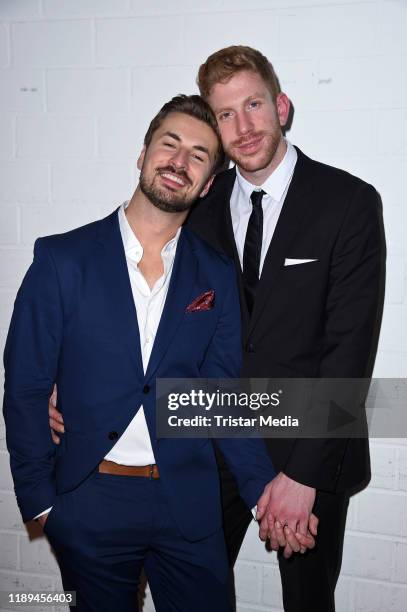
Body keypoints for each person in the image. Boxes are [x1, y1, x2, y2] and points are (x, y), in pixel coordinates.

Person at [3, 94, 314, 612]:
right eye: (169, 145)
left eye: (198, 155)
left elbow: (220, 397)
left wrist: (266, 492)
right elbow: (27, 386)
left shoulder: (214, 274)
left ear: (209, 182)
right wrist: (42, 503)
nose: (179, 161)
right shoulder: (62, 259)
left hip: (187, 504)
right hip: (90, 501)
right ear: (143, 154)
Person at [188, 46, 383, 612]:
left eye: (253, 105)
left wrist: (302, 475)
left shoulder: (347, 202)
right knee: (196, 594)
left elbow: (351, 351)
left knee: (307, 603)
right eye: (225, 114)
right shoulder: (200, 208)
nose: (243, 127)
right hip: (216, 443)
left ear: (282, 106)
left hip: (312, 454)